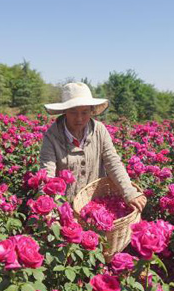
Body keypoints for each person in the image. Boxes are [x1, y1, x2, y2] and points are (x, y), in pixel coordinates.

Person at [39, 82, 147, 212]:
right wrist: (50, 210)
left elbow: (113, 162)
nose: (79, 118)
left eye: (84, 112)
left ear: (91, 111)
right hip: (64, 208)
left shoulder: (99, 130)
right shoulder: (52, 136)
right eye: (73, 112)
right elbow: (47, 174)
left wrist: (129, 192)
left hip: (97, 207)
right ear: (65, 111)